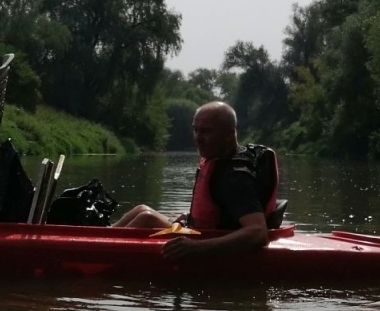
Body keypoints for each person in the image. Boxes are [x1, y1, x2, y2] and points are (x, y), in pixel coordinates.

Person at [114, 101, 274, 261]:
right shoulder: (224, 159)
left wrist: (195, 248)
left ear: (229, 134)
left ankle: (104, 256)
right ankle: (97, 237)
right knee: (141, 209)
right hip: (200, 233)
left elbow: (258, 232)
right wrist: (191, 216)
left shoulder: (236, 176)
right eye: (195, 130)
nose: (198, 138)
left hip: (204, 243)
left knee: (147, 218)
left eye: (206, 131)